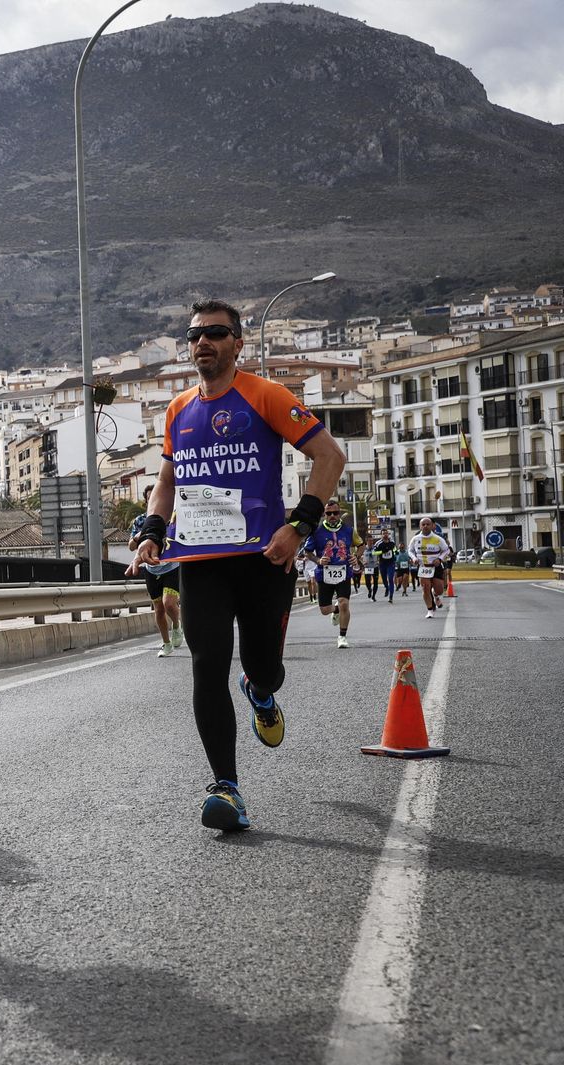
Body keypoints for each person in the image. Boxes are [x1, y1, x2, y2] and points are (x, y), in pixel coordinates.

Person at [129, 298, 345, 833]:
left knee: (263, 664)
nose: (203, 342)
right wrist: (153, 531)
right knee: (206, 665)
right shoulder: (178, 410)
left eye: (216, 333)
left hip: (264, 558)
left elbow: (331, 457)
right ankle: (226, 787)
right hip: (200, 560)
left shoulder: (265, 395)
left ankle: (262, 690)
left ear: (237, 343)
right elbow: (168, 480)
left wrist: (299, 527)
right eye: (195, 334)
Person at [128, 486, 184, 656]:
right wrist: (140, 536)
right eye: (150, 497)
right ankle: (166, 644)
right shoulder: (140, 521)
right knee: (159, 609)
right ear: (147, 500)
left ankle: (176, 625)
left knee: (169, 603)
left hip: (171, 566)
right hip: (151, 569)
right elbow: (131, 546)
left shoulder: (172, 518)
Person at [303, 500, 360, 648]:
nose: (332, 516)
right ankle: (335, 610)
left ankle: (342, 637)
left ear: (339, 513)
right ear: (324, 514)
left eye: (335, 513)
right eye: (329, 513)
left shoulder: (349, 530)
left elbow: (361, 545)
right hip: (324, 574)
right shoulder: (316, 532)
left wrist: (356, 557)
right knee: (324, 610)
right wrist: (318, 560)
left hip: (344, 572)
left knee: (344, 603)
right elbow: (307, 552)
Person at [407, 516, 453, 618]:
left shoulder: (438, 539)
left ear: (432, 526)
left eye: (428, 524)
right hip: (423, 567)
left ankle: (435, 594)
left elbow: (447, 550)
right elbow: (410, 551)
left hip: (436, 567)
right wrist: (414, 558)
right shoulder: (415, 539)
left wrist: (440, 559)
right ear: (420, 526)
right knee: (425, 588)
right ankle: (430, 610)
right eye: (423, 524)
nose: (425, 526)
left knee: (439, 590)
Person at [370, 527, 397, 603]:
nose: (385, 535)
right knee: (384, 580)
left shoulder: (392, 542)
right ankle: (386, 587)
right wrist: (382, 552)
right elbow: (373, 552)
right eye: (383, 533)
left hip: (391, 563)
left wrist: (395, 552)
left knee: (391, 579)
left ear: (388, 534)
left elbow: (394, 549)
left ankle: (391, 596)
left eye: (386, 533)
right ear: (381, 535)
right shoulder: (378, 543)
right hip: (382, 564)